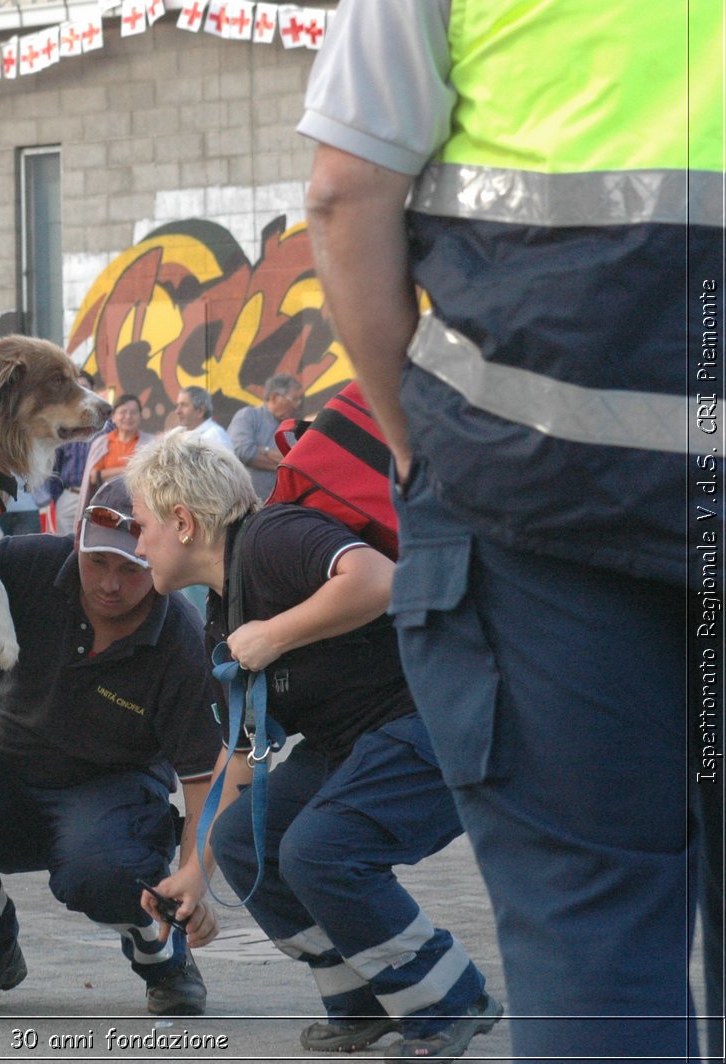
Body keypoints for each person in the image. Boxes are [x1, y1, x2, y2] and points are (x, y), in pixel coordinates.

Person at [297, 3, 721, 1060]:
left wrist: (412, 444)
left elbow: (344, 192)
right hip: (551, 500)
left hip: (533, 500)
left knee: (593, 926)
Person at [127, 431, 499, 1059]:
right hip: (359, 743)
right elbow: (241, 755)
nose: (138, 546)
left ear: (183, 522)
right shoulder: (221, 610)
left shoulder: (274, 537)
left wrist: (274, 634)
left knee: (318, 850)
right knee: (245, 840)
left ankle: (446, 999)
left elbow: (379, 580)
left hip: (438, 723)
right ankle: (362, 1001)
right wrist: (194, 871)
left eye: (141, 526)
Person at [0, 477, 223, 1018]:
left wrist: (197, 880)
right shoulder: (22, 563)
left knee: (106, 872)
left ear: (156, 557)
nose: (110, 585)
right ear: (76, 540)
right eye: (98, 562)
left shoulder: (181, 641)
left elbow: (203, 781)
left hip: (109, 790)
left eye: (130, 569)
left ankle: (164, 961)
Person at [37, 369, 97, 534]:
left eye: (85, 387)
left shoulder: (107, 425)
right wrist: (53, 499)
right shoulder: (63, 425)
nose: (80, 392)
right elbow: (54, 466)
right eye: (76, 387)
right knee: (64, 544)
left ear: (93, 390)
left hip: (98, 495)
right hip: (70, 494)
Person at [227, 373, 301, 500]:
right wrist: (286, 462)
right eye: (293, 399)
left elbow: (298, 465)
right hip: (246, 505)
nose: (297, 405)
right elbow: (243, 452)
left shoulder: (291, 429)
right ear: (274, 397)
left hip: (279, 507)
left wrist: (261, 451)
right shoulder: (248, 416)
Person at [78, 394, 153, 518]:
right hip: (105, 507)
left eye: (134, 412)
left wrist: (106, 473)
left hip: (138, 507)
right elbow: (93, 477)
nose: (128, 417)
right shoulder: (101, 443)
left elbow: (150, 475)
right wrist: (129, 469)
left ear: (140, 416)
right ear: (113, 417)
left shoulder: (150, 443)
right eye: (123, 412)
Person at [174, 387, 233, 452]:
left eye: (184, 405)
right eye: (178, 405)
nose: (178, 411)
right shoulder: (176, 434)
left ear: (200, 411)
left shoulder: (215, 436)